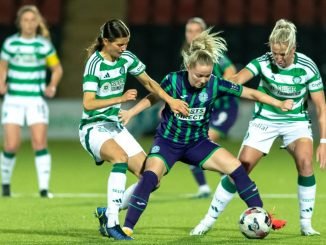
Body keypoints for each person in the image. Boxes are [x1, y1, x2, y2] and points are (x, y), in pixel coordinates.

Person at [116, 28, 293, 239]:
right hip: (168, 143)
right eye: (199, 75)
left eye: (207, 75)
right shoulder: (173, 80)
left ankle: (264, 219)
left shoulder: (215, 84)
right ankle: (126, 228)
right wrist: (131, 113)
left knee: (237, 169)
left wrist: (278, 102)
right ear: (189, 67)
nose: (203, 80)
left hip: (198, 144)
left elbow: (250, 92)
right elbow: (153, 97)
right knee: (149, 177)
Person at [190, 19, 326, 237]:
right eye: (274, 53)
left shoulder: (308, 67)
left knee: (305, 162)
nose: (278, 58)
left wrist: (324, 142)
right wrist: (215, 81)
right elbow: (237, 80)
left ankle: (306, 224)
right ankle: (207, 221)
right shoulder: (263, 62)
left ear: (293, 48)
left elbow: (321, 106)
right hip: (265, 120)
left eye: (283, 54)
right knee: (239, 169)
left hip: (296, 122)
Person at [78, 19, 188, 240]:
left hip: (115, 126)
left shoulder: (126, 58)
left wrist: (170, 100)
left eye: (126, 43)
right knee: (119, 158)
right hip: (93, 127)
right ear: (106, 41)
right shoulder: (95, 64)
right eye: (119, 44)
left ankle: (107, 212)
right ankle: (112, 224)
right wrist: (120, 98)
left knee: (152, 178)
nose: (124, 48)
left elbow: (148, 82)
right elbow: (88, 103)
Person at [0, 5, 63, 198]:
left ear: (37, 23)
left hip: (35, 100)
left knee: (39, 143)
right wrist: (1, 83)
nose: (28, 24)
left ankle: (44, 189)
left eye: (32, 20)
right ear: (20, 23)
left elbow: (57, 69)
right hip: (13, 100)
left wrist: (52, 85)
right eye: (25, 20)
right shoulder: (10, 44)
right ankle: (5, 185)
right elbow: (2, 67)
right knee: (11, 145)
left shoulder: (44, 46)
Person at [183, 17, 238, 198]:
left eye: (196, 31)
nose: (192, 35)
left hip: (223, 109)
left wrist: (223, 86)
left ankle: (232, 179)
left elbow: (230, 70)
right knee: (192, 142)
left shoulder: (212, 55)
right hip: (203, 110)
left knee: (201, 141)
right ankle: (209, 186)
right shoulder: (188, 55)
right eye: (189, 31)